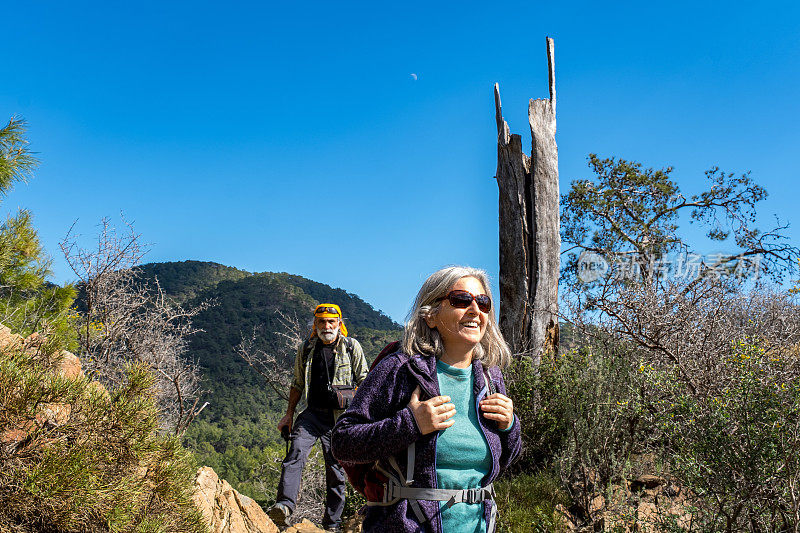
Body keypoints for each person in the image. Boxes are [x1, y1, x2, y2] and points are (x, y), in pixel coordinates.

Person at [331, 266, 520, 533]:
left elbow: (506, 459)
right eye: (461, 300)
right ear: (431, 316)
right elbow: (343, 441)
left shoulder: (491, 378)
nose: (475, 310)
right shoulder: (400, 369)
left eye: (483, 302)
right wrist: (410, 423)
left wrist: (510, 426)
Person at [268, 303, 369, 531]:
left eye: (331, 322)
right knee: (295, 453)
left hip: (340, 420)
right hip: (312, 415)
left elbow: (365, 381)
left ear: (339, 324)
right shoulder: (306, 349)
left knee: (336, 472)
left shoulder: (351, 347)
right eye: (321, 322)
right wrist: (288, 415)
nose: (326, 326)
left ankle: (331, 525)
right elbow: (296, 383)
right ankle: (284, 506)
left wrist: (360, 414)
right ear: (315, 324)